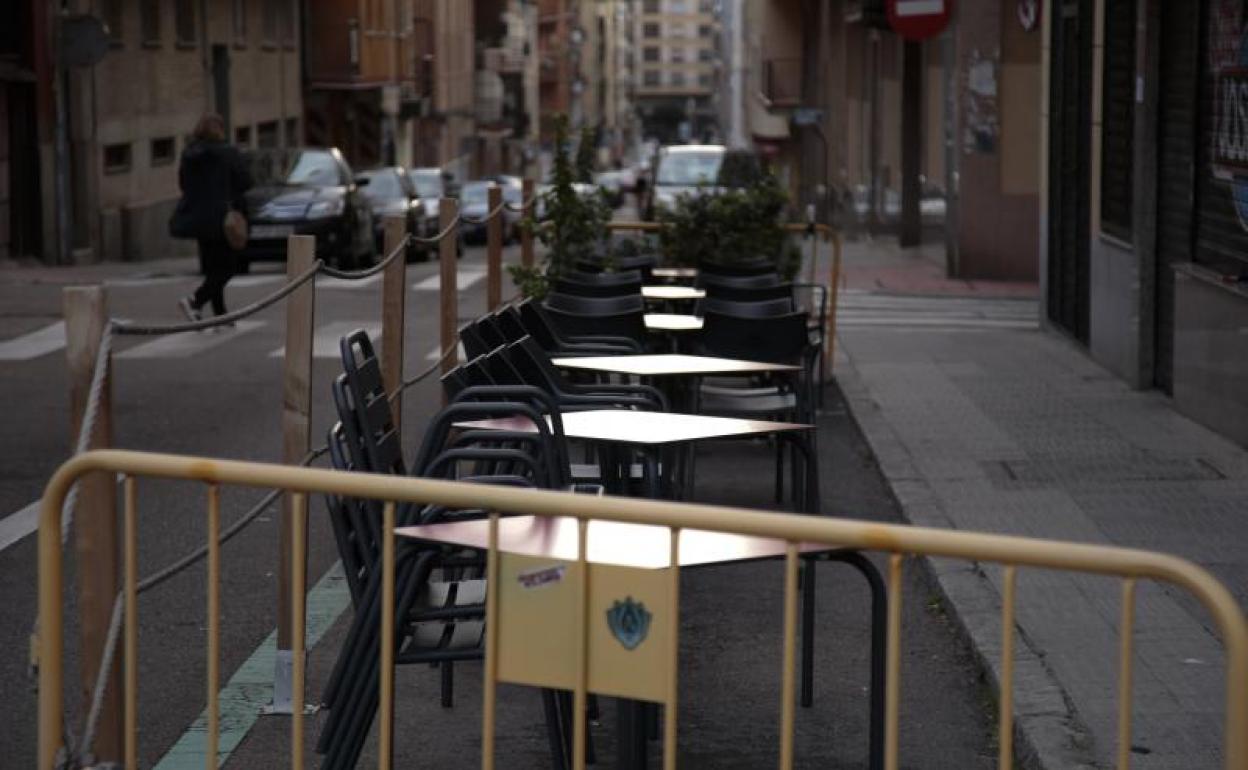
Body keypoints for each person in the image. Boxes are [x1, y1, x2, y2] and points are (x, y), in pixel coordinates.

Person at [173, 113, 252, 323]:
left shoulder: (189, 155)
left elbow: (183, 184)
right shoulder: (227, 153)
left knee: (212, 268)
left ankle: (220, 313)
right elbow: (246, 180)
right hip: (222, 219)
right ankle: (195, 300)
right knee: (227, 268)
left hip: (198, 219)